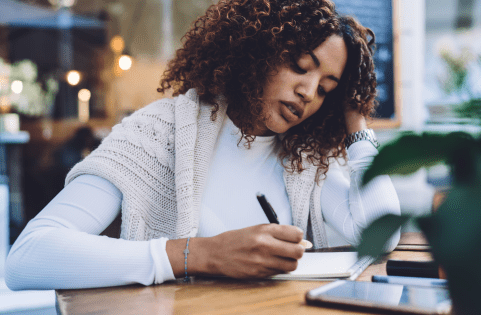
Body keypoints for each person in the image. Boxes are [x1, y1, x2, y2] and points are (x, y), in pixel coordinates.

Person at [6, 0, 400, 290]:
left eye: (327, 89)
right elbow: (29, 258)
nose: (308, 91)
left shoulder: (302, 159)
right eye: (299, 66)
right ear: (256, 52)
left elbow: (381, 233)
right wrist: (198, 254)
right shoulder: (158, 132)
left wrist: (355, 119)